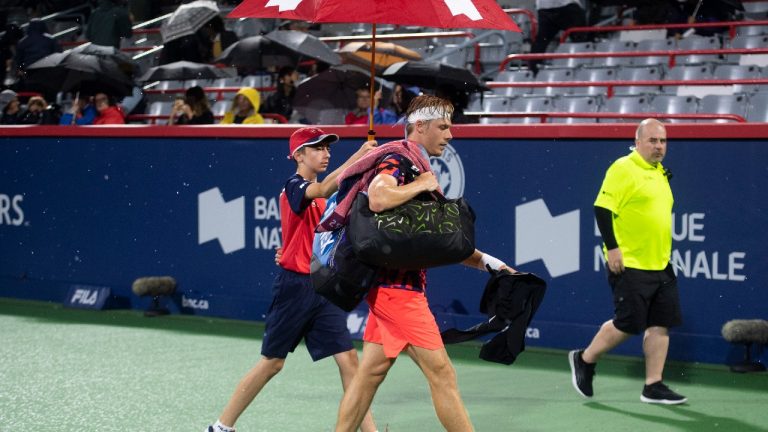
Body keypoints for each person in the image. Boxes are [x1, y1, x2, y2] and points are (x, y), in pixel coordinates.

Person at [334, 95, 515, 431]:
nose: (450, 134)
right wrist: (420, 184)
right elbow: (377, 196)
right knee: (443, 373)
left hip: (392, 290)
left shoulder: (417, 164)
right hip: (397, 292)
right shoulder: (401, 162)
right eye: (443, 126)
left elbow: (440, 244)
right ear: (420, 127)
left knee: (369, 376)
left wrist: (494, 265)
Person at [204, 127, 378, 432]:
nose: (325, 154)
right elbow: (323, 189)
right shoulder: (294, 186)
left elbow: (317, 231)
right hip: (294, 288)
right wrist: (360, 157)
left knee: (349, 361)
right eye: (317, 148)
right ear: (299, 155)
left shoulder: (324, 201)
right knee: (273, 363)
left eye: (327, 149)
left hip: (324, 288)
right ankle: (221, 426)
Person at [569, 118, 687, 405]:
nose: (659, 146)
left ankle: (653, 385)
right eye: (653, 141)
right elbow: (602, 208)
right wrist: (613, 248)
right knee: (628, 324)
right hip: (629, 263)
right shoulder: (623, 168)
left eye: (663, 141)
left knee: (661, 324)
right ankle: (585, 359)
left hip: (661, 263)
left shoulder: (659, 172)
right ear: (638, 142)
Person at [529, 0, 588, 74]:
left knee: (541, 42)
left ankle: (532, 73)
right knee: (581, 40)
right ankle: (584, 71)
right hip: (566, 5)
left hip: (544, 7)